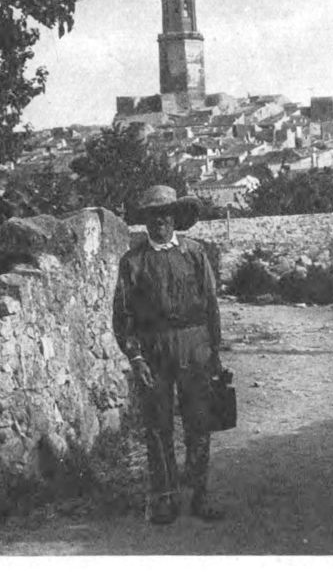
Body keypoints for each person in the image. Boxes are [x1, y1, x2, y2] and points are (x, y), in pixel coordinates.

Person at [112, 185, 225, 525]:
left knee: (198, 420)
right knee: (158, 424)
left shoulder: (194, 253)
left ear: (175, 217)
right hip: (154, 349)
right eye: (152, 215)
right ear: (145, 221)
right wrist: (135, 358)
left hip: (195, 346)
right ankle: (165, 497)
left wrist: (215, 351)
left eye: (165, 214)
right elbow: (123, 315)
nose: (159, 221)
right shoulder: (133, 262)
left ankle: (200, 494)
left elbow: (211, 304)